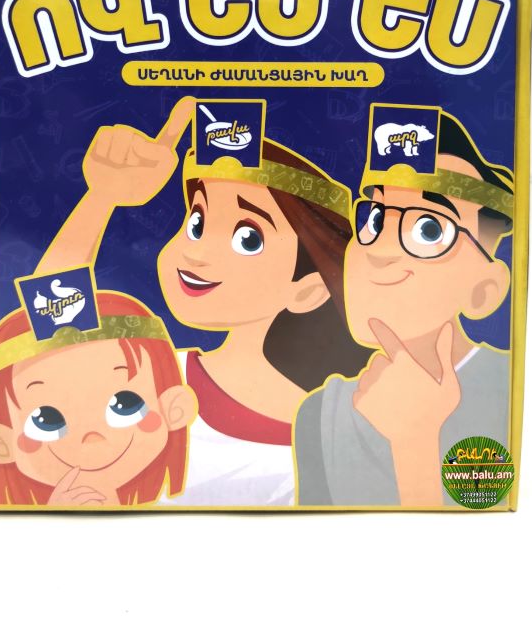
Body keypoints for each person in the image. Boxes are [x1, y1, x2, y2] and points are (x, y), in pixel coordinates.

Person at [36, 98, 370, 506]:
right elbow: (53, 336)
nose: (196, 252)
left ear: (307, 290)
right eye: (197, 222)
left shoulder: (341, 425)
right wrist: (102, 198)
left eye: (247, 238)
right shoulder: (154, 378)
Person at [295, 106, 514, 508]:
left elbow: (484, 526)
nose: (379, 251)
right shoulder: (320, 414)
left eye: (429, 229)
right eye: (376, 220)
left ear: (484, 290)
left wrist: (415, 439)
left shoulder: (509, 391)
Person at [0, 288, 197, 507]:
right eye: (47, 420)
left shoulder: (190, 495)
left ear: (174, 408)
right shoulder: (16, 520)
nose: (91, 437)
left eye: (125, 404)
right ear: (1, 443)